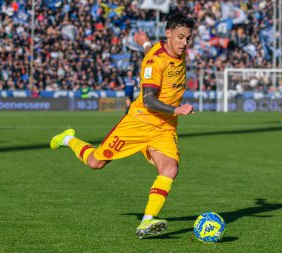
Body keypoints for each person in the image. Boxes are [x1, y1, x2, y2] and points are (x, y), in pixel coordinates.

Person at [49, 13, 195, 239]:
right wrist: (176, 109)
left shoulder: (171, 50)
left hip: (164, 127)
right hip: (138, 122)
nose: (185, 43)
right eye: (181, 37)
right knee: (96, 162)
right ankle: (68, 139)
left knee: (170, 169)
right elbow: (149, 100)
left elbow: (155, 50)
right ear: (168, 34)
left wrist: (145, 43)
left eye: (188, 38)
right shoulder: (154, 60)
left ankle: (147, 221)